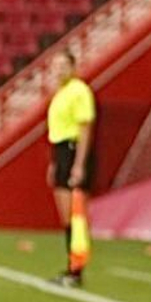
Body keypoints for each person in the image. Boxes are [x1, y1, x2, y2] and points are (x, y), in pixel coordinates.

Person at [45, 49, 95, 287]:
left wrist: (79, 164)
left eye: (63, 66)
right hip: (61, 151)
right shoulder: (60, 93)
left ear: (73, 67)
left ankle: (76, 269)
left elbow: (84, 128)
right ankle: (72, 265)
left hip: (73, 150)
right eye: (56, 66)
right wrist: (55, 162)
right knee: (66, 214)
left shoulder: (79, 91)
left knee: (74, 214)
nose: (59, 71)